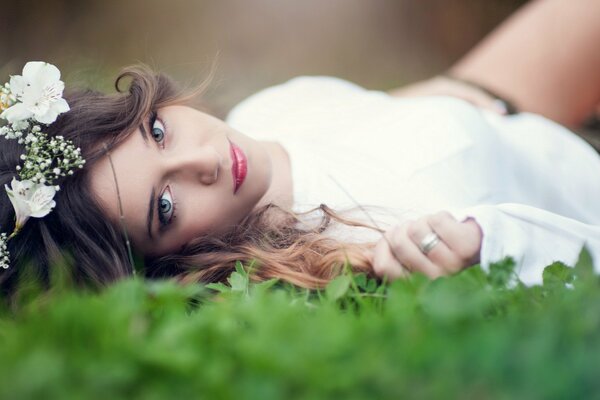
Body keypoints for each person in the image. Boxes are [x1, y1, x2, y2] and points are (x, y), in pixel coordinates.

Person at [0, 0, 599, 295]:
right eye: (165, 206)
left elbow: (361, 128)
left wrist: (435, 100)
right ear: (166, 264)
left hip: (507, 114)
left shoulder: (266, 113)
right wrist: (482, 246)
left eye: (157, 132)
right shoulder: (348, 250)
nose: (204, 162)